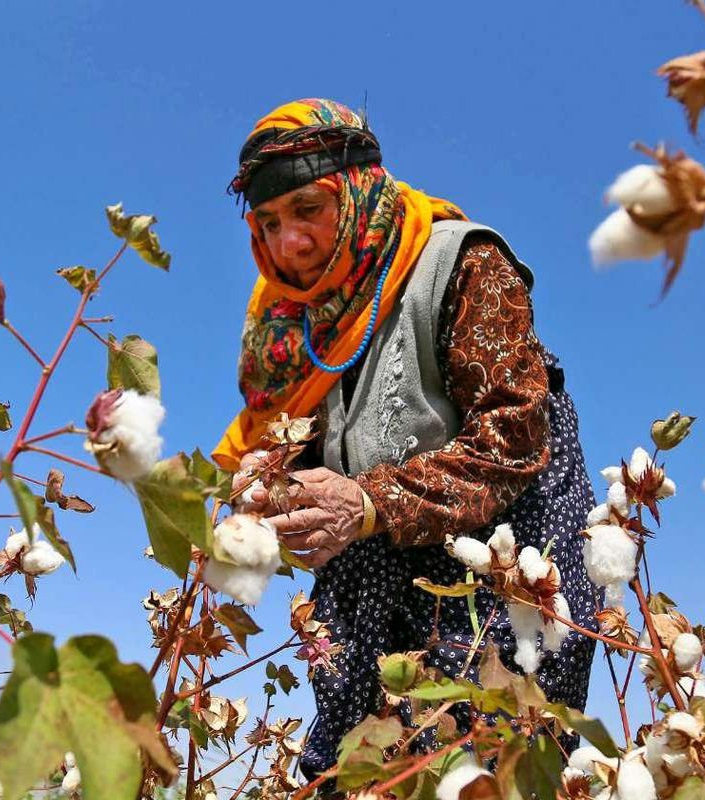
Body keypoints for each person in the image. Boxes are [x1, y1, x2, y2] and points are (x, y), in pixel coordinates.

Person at [212, 98, 599, 783]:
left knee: (479, 776)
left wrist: (366, 503)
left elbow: (513, 437)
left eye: (307, 208)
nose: (287, 243)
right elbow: (292, 450)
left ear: (357, 190)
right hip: (369, 612)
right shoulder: (289, 324)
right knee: (363, 778)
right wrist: (264, 499)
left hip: (493, 593)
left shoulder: (462, 262)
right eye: (268, 222)